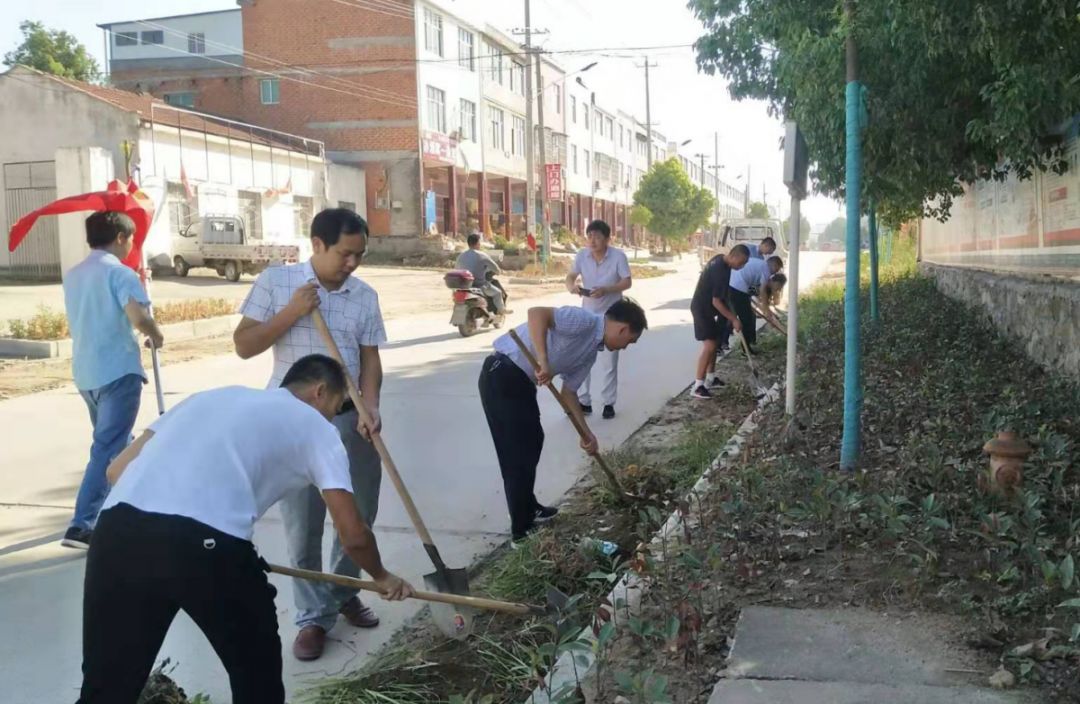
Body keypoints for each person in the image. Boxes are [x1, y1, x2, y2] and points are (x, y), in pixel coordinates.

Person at [76, 355, 414, 704]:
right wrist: (382, 577)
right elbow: (353, 534)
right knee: (256, 680)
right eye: (338, 406)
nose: (334, 416)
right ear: (320, 391)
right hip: (205, 545)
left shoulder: (206, 398)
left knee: (106, 687)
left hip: (116, 531)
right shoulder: (316, 427)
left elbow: (116, 471)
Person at [234, 207, 387, 661]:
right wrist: (292, 312)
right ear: (317, 244)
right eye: (344, 253)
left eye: (359, 255)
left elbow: (371, 358)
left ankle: (340, 594)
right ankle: (311, 617)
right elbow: (244, 345)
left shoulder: (364, 295)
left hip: (348, 417)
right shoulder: (277, 283)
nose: (352, 264)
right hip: (291, 423)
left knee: (358, 515)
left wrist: (371, 404)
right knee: (303, 527)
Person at [479, 300, 648, 542]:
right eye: (629, 341)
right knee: (517, 454)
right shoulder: (584, 321)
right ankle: (521, 530)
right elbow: (536, 312)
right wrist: (544, 360)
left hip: (521, 383)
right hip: (501, 374)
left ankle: (528, 506)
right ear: (622, 329)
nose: (625, 347)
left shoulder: (589, 353)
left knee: (533, 441)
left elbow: (569, 393)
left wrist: (586, 434)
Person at [60, 211, 164, 550]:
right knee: (108, 447)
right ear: (120, 237)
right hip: (119, 371)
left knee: (120, 442)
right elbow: (138, 317)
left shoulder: (74, 275)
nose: (132, 245)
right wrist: (155, 333)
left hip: (86, 374)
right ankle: (82, 525)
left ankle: (132, 504)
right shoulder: (120, 273)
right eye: (131, 238)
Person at [565, 219, 632, 419]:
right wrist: (573, 287)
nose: (592, 240)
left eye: (597, 236)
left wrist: (607, 290)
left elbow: (627, 281)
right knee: (583, 359)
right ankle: (584, 401)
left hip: (611, 317)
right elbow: (570, 276)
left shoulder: (618, 256)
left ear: (607, 239)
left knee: (609, 361)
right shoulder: (582, 255)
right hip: (587, 315)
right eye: (590, 236)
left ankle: (608, 403)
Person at [690, 245, 750, 399]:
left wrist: (732, 313)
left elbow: (724, 295)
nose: (741, 266)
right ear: (734, 256)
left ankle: (710, 378)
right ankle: (697, 385)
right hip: (701, 308)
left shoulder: (722, 261)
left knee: (715, 343)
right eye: (741, 262)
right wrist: (733, 319)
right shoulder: (720, 271)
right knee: (709, 346)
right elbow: (716, 301)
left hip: (708, 309)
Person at [729, 249, 773, 353]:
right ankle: (746, 348)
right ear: (775, 266)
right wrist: (765, 309)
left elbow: (758, 288)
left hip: (735, 285)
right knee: (746, 319)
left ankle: (746, 345)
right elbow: (762, 290)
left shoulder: (760, 264)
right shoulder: (766, 269)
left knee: (745, 317)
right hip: (738, 287)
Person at [456, 232, 507, 313]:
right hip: (480, 285)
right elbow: (496, 269)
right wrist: (498, 272)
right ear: (477, 243)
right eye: (479, 242)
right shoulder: (482, 255)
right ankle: (502, 310)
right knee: (498, 293)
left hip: (464, 286)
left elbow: (457, 269)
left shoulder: (461, 256)